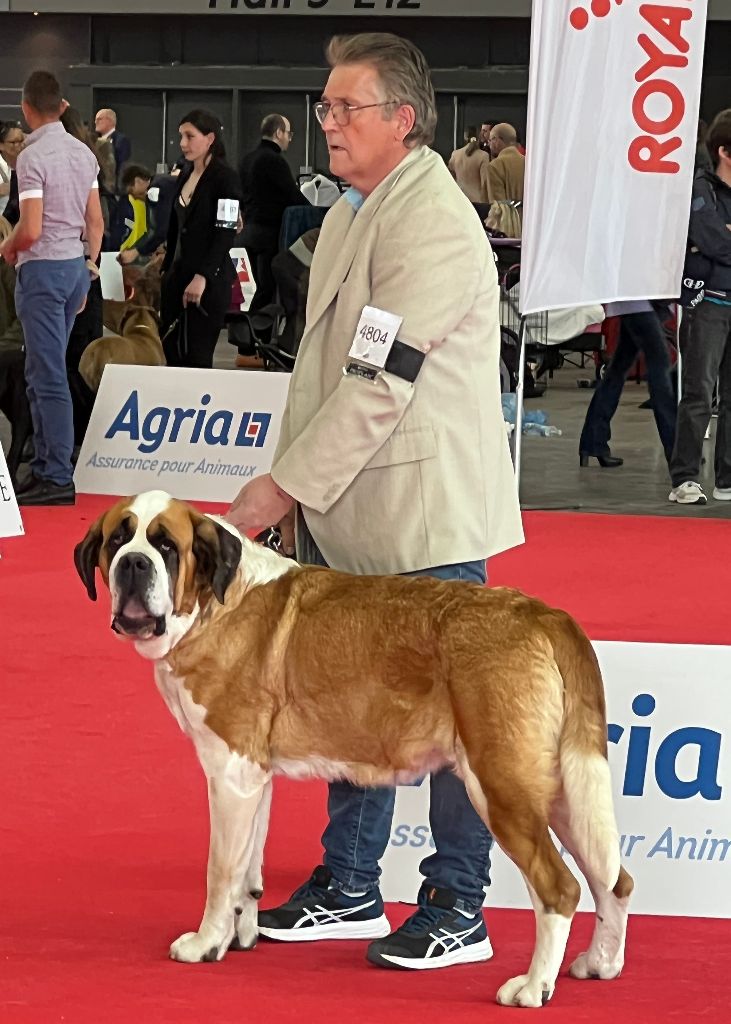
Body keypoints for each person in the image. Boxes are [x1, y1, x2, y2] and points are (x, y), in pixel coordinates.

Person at [226, 31, 523, 970]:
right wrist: (298, 487)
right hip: (354, 506)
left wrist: (284, 484)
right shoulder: (359, 207)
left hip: (423, 512)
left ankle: (458, 903)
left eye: (344, 107)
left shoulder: (429, 219)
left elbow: (381, 380)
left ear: (402, 118)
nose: (327, 122)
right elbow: (327, 370)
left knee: (458, 721)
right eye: (323, 107)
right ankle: (350, 883)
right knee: (355, 704)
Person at [0, 71, 103, 506]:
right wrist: (89, 268)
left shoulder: (31, 157)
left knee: (47, 374)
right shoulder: (84, 153)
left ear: (26, 109)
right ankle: (46, 465)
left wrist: (7, 247)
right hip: (75, 268)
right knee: (45, 369)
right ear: (61, 106)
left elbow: (31, 228)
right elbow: (95, 223)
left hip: (43, 271)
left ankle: (56, 475)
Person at [669, 108, 731, 506]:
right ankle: (685, 477)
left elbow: (716, 244)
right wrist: (718, 239)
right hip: (707, 304)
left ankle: (727, 479)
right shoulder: (698, 189)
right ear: (724, 151)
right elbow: (712, 240)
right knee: (699, 393)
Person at [160, 108, 240, 369]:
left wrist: (203, 276)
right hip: (176, 278)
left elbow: (225, 233)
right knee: (171, 354)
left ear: (210, 139)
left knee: (197, 358)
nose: (183, 143)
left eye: (190, 136)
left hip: (208, 282)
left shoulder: (226, 178)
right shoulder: (184, 173)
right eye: (181, 136)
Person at [578, 302, 676, 468]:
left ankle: (593, 442)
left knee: (619, 368)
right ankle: (677, 450)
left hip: (634, 304)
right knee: (659, 369)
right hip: (643, 303)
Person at [238, 113, 310, 314]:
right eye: (288, 133)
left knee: (259, 288)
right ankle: (255, 330)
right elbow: (292, 195)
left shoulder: (247, 160)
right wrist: (316, 213)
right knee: (267, 291)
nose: (289, 139)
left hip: (248, 232)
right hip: (268, 234)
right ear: (278, 133)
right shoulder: (274, 161)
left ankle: (251, 330)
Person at [447, 126, 490, 204]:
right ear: (479, 137)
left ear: (465, 137)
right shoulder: (484, 156)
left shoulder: (455, 154)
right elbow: (485, 182)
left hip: (459, 199)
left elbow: (450, 177)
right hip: (477, 201)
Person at [94, 107, 131, 185]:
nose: (95, 122)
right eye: (96, 119)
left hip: (110, 185)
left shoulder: (121, 140)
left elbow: (121, 167)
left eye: (99, 119)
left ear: (110, 121)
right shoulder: (93, 139)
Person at [0, 121, 24, 225]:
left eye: (21, 141)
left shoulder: (25, 163)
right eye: (13, 142)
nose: (19, 146)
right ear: (1, 145)